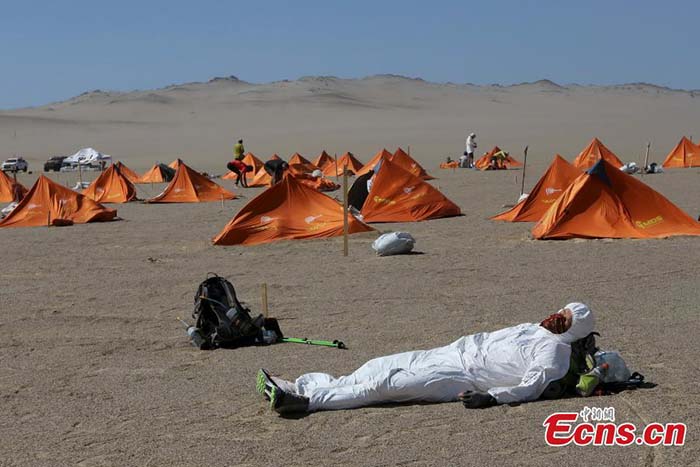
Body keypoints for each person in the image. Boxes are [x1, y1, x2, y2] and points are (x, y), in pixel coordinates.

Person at [257, 302, 596, 414]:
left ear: (572, 330)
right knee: (377, 365)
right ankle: (303, 385)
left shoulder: (554, 352)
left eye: (563, 319)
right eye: (559, 311)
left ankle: (304, 401)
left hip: (462, 377)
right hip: (449, 352)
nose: (554, 317)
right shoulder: (535, 328)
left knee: (384, 385)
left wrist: (491, 397)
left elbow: (531, 386)